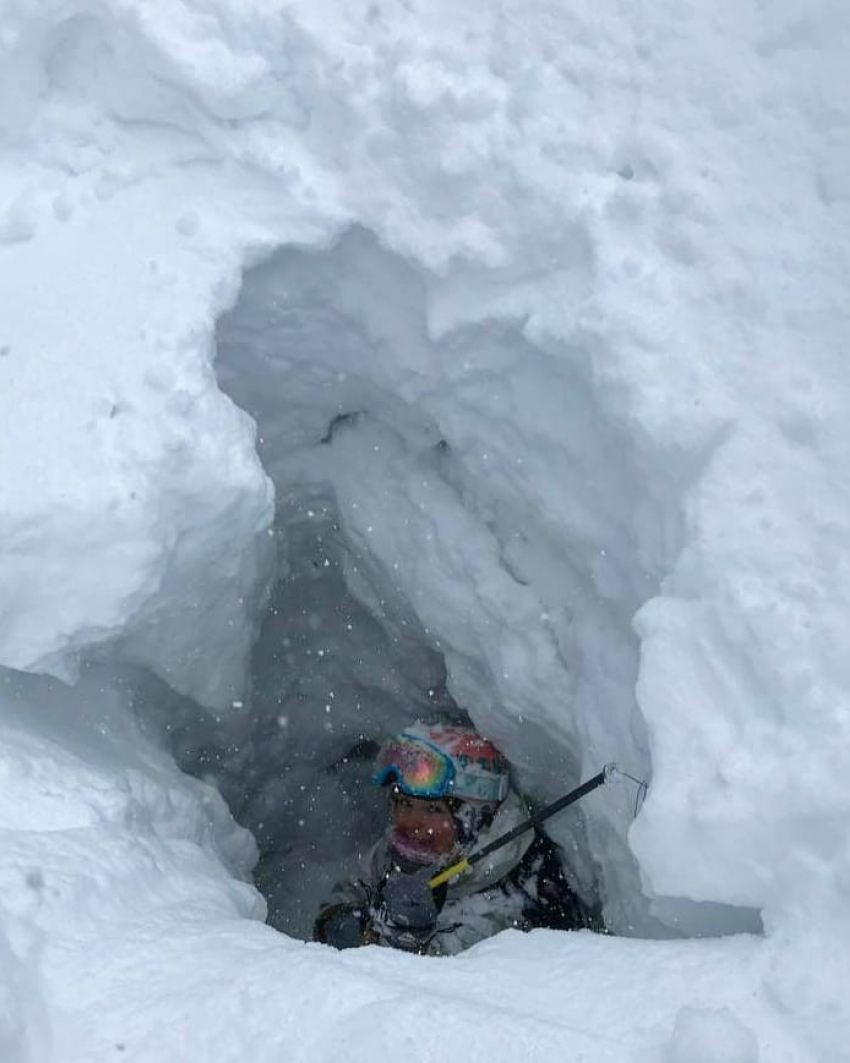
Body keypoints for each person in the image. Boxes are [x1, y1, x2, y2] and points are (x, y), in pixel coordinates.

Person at [313, 721, 604, 955]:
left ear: (473, 818)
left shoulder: (520, 899)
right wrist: (343, 924)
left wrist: (408, 942)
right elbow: (352, 889)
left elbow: (448, 993)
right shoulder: (410, 849)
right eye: (404, 803)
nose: (412, 822)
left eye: (432, 809)